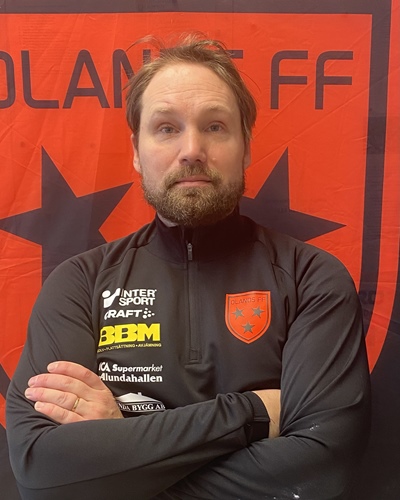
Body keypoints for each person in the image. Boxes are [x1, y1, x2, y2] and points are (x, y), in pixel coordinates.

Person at [6, 34, 370, 500]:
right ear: (136, 150)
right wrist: (254, 412)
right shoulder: (80, 283)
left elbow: (320, 472)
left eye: (215, 126)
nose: (192, 149)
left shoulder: (311, 278)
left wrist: (118, 458)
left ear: (246, 146)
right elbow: (41, 472)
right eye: (166, 128)